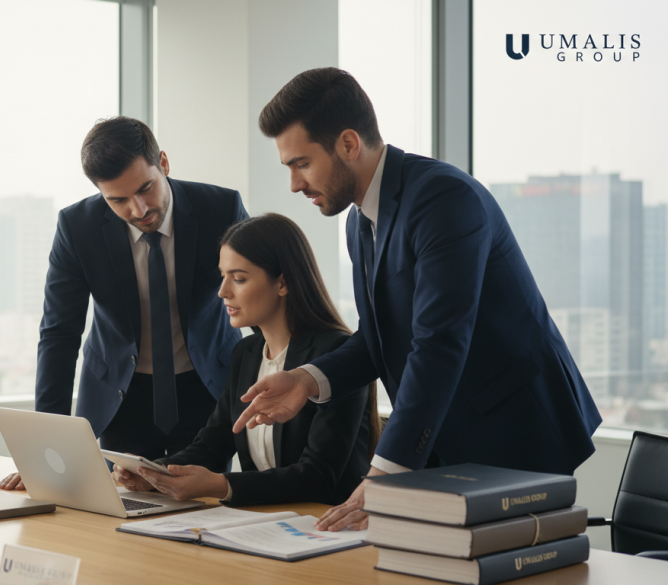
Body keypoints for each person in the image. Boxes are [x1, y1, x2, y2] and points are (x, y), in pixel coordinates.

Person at [232, 68, 602, 530]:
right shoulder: (359, 222)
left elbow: (439, 342)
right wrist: (307, 380)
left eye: (301, 163)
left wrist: (385, 472)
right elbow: (380, 338)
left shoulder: (442, 198)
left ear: (349, 144)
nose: (293, 184)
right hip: (447, 440)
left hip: (514, 436)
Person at [1, 117, 248, 490]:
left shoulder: (220, 208)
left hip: (208, 390)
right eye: (118, 200)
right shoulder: (77, 227)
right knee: (121, 512)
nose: (139, 209)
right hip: (119, 398)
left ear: (163, 163)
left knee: (203, 509)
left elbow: (260, 300)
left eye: (146, 188)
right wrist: (44, 444)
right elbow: (59, 334)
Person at [113, 213, 379, 507]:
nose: (223, 292)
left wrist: (221, 485)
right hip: (261, 523)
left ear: (283, 283)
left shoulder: (336, 356)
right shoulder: (246, 353)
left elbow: (319, 476)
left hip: (324, 526)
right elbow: (212, 445)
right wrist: (152, 474)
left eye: (238, 278)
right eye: (223, 276)